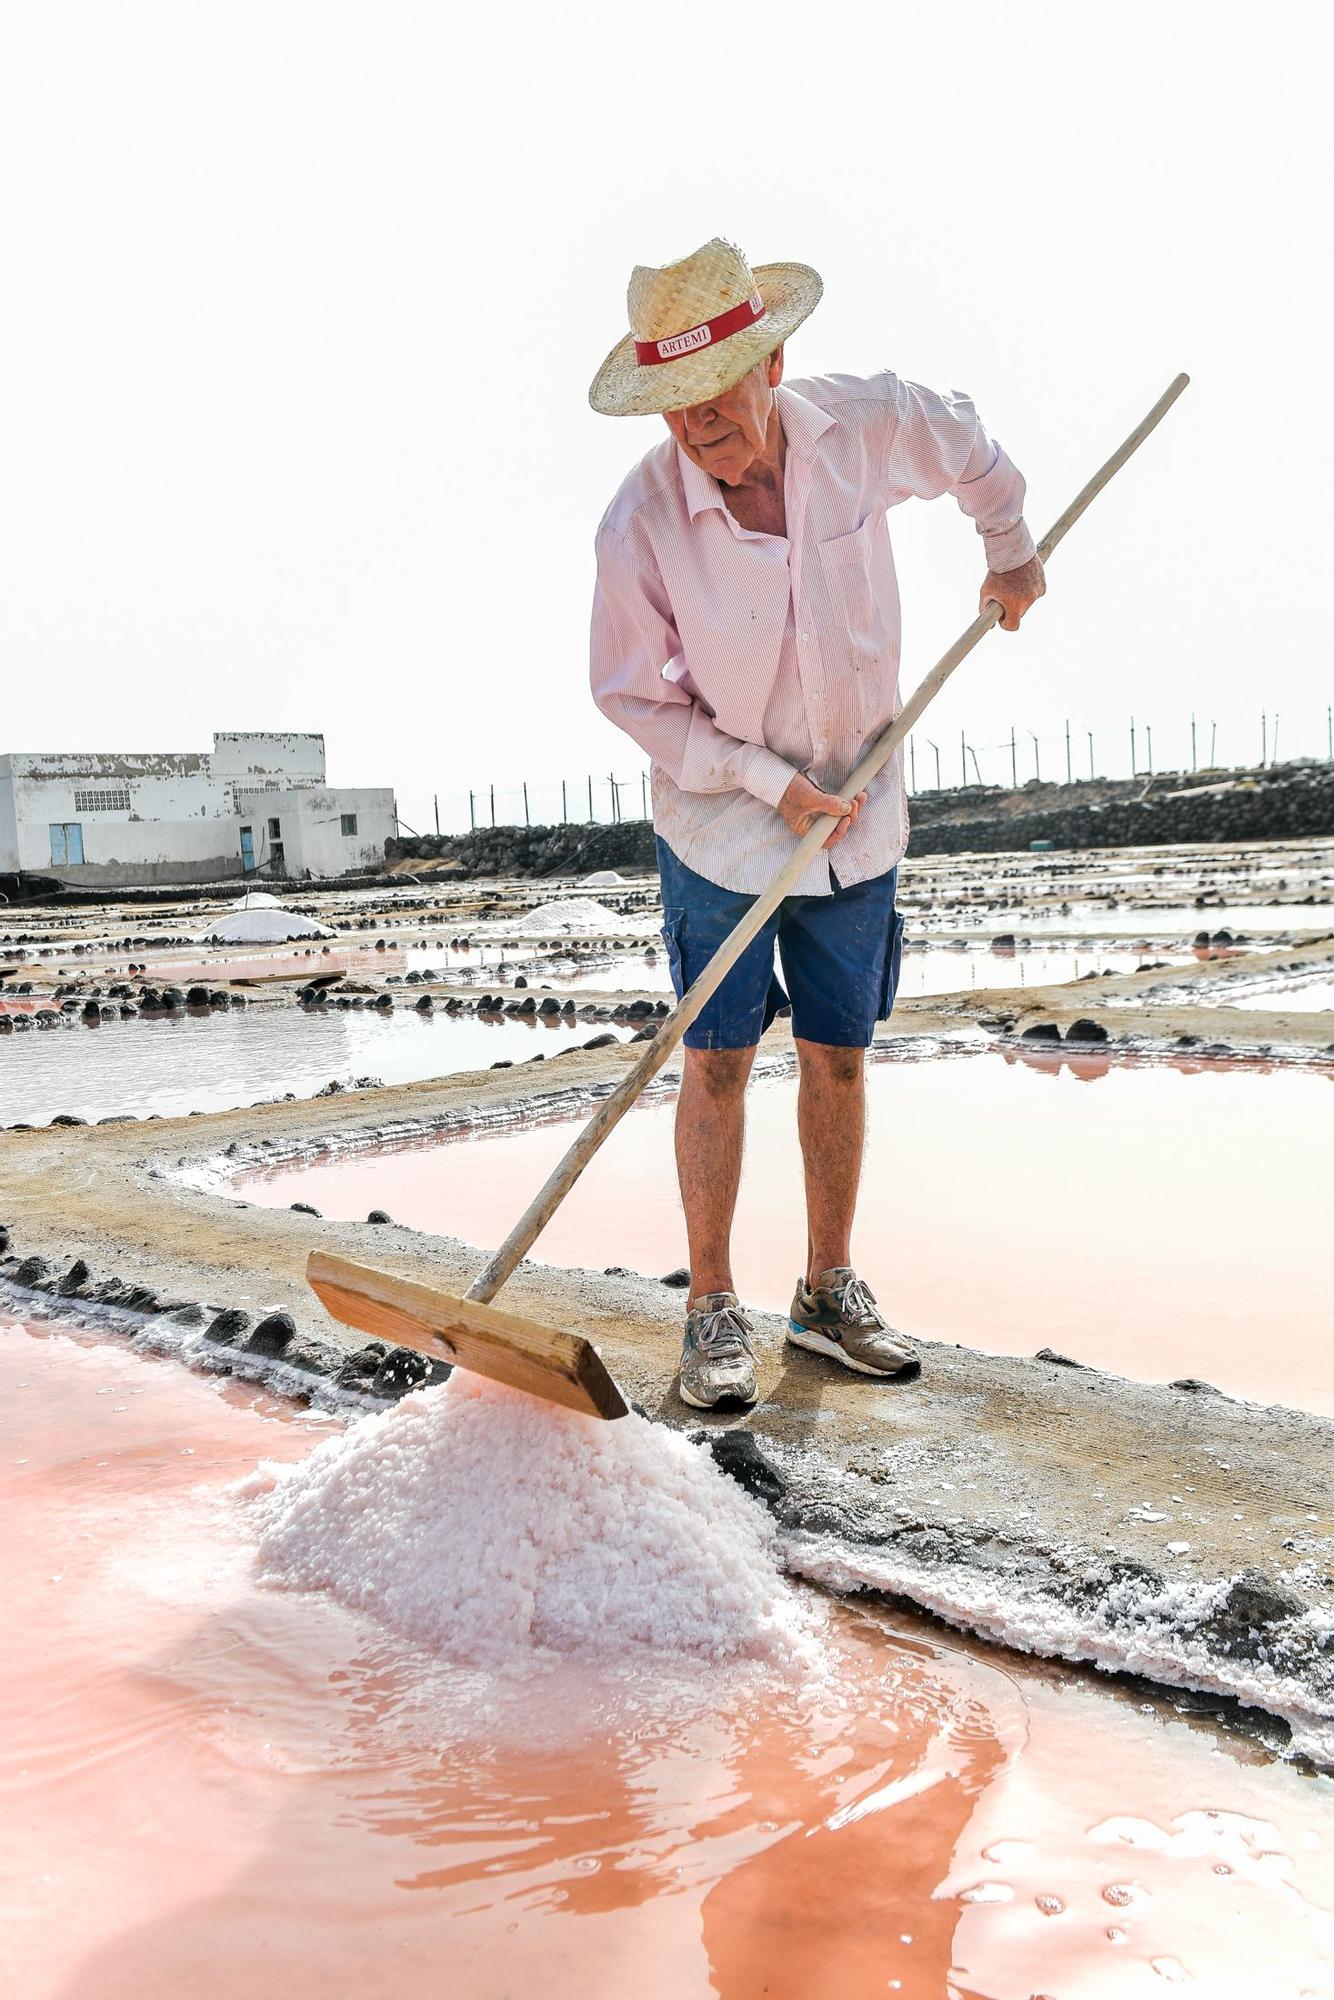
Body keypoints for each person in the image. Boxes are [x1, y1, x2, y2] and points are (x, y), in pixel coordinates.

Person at [589, 238, 1044, 1409]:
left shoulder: (865, 425)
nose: (696, 428)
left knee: (838, 1056)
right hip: (722, 829)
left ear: (774, 358)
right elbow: (632, 690)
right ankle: (709, 1307)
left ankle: (825, 1290)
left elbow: (974, 451)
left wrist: (1009, 552)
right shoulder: (640, 519)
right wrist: (752, 774)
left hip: (856, 805)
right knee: (718, 1059)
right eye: (672, 405)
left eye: (715, 397)